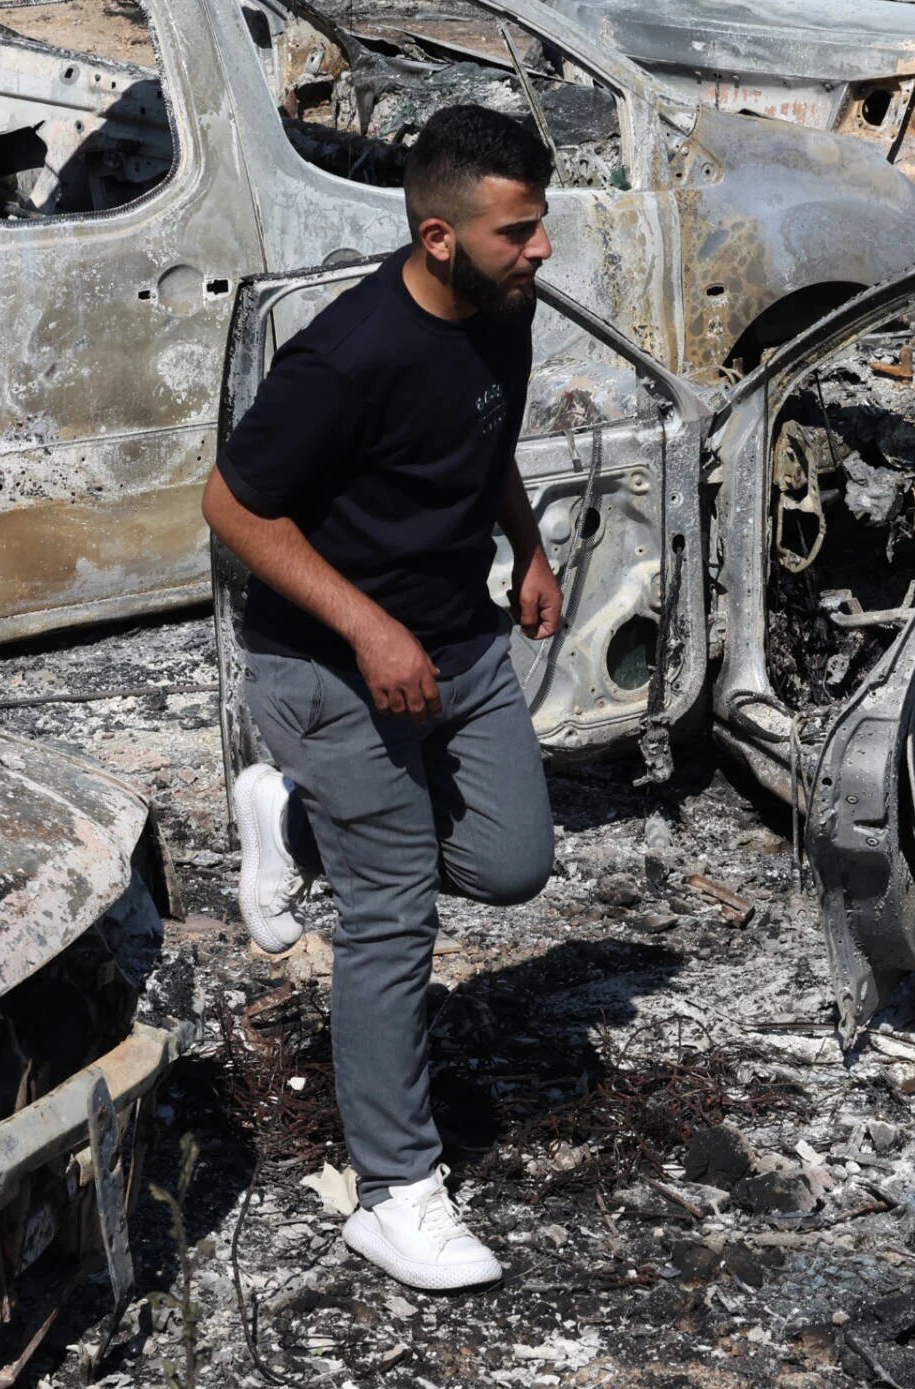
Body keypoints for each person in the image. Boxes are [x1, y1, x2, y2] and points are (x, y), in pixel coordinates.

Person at [202, 104, 561, 1292]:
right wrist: (364, 622)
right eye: (519, 228)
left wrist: (530, 546)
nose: (542, 246)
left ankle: (290, 822)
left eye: (540, 219)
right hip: (329, 665)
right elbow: (231, 506)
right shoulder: (347, 353)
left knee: (513, 862)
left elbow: (483, 431)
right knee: (394, 911)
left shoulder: (500, 309)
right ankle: (396, 1194)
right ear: (437, 235)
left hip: (455, 645)